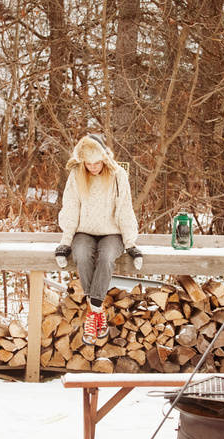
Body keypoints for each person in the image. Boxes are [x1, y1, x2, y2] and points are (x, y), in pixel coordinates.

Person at [55, 134, 143, 345]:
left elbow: (125, 209)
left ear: (104, 158)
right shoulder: (76, 174)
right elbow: (70, 208)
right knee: (82, 255)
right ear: (82, 161)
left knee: (106, 257)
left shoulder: (117, 174)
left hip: (112, 232)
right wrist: (66, 241)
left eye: (97, 162)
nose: (93, 167)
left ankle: (92, 312)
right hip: (83, 231)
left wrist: (130, 243)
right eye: (88, 163)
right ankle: (98, 311)